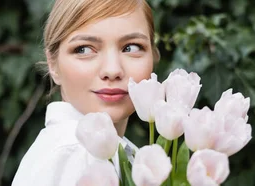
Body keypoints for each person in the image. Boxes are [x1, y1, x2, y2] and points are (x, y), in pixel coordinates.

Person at [11, 0, 160, 185]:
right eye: (84, 49)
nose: (112, 70)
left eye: (131, 47)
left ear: (153, 55)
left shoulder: (113, 154)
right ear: (53, 64)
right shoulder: (77, 154)